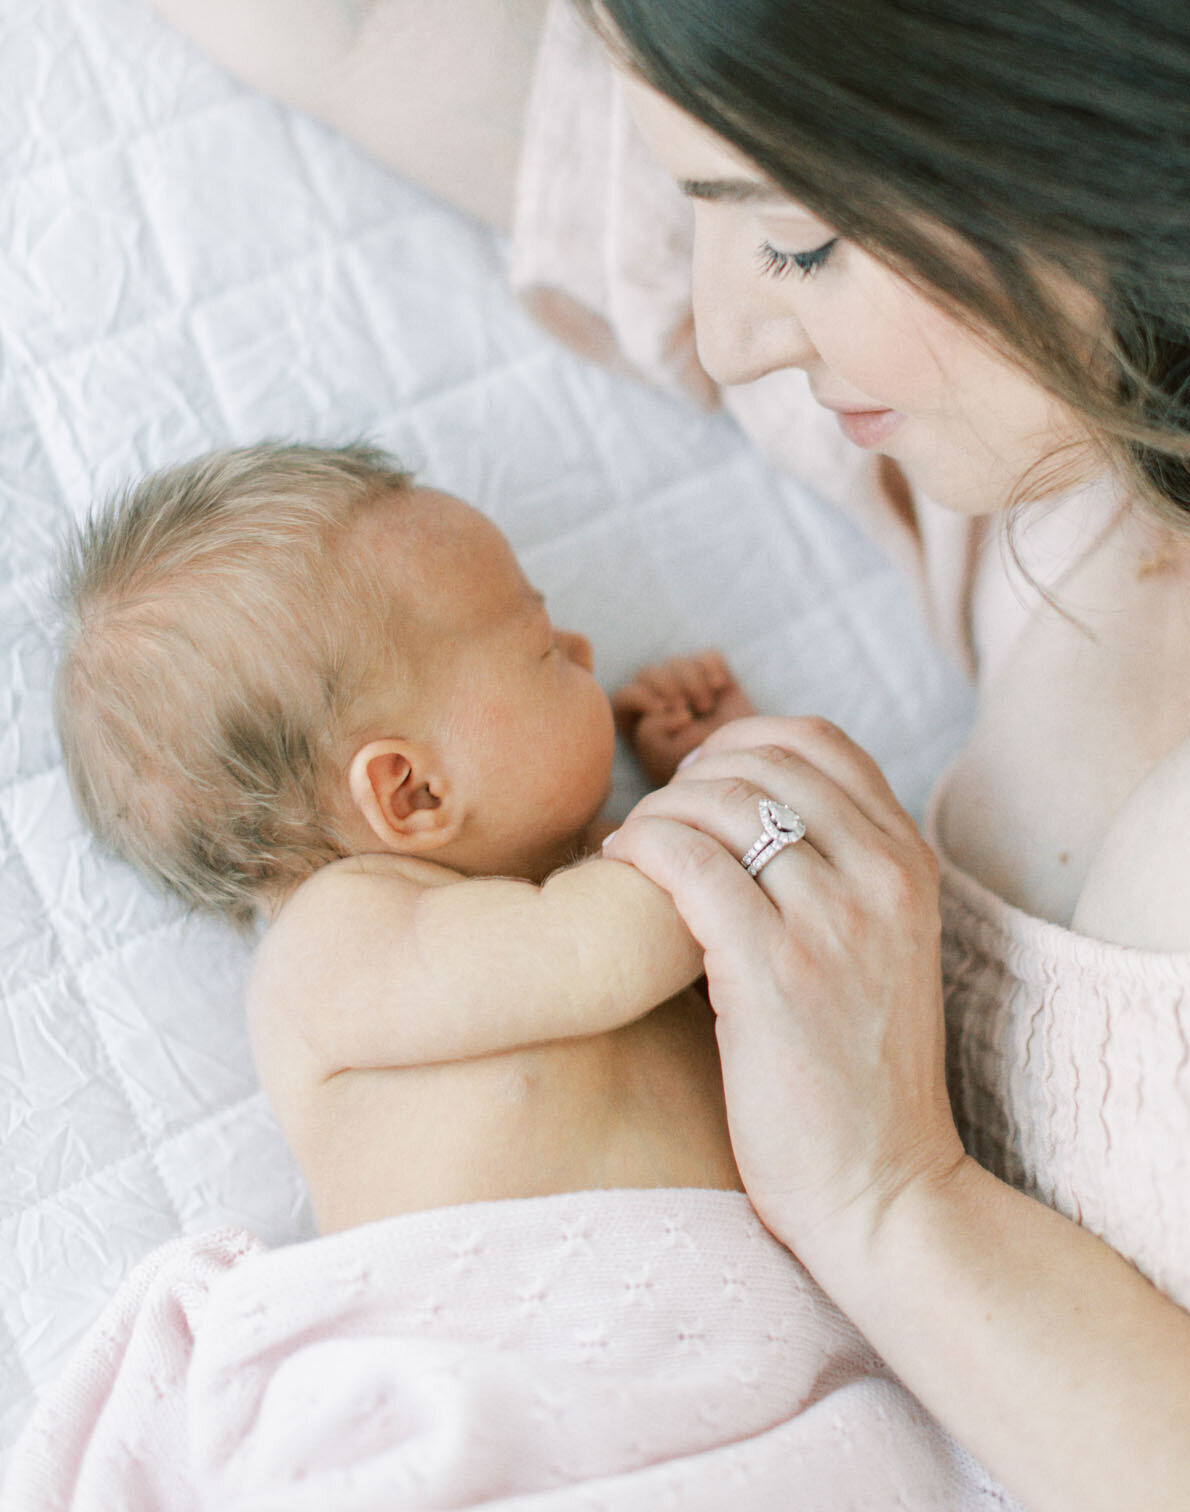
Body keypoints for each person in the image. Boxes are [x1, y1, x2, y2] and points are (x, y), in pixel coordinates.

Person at [0, 0, 1190, 1505]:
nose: (720, 328)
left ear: (1101, 134)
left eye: (788, 245)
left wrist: (891, 1199)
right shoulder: (1065, 423)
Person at [53, 440, 753, 1232]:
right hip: (503, 1334)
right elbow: (618, 946)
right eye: (541, 646)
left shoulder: (590, 866)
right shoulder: (335, 942)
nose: (583, 649)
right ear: (413, 792)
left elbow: (775, 958)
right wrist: (730, 788)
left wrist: (702, 763)